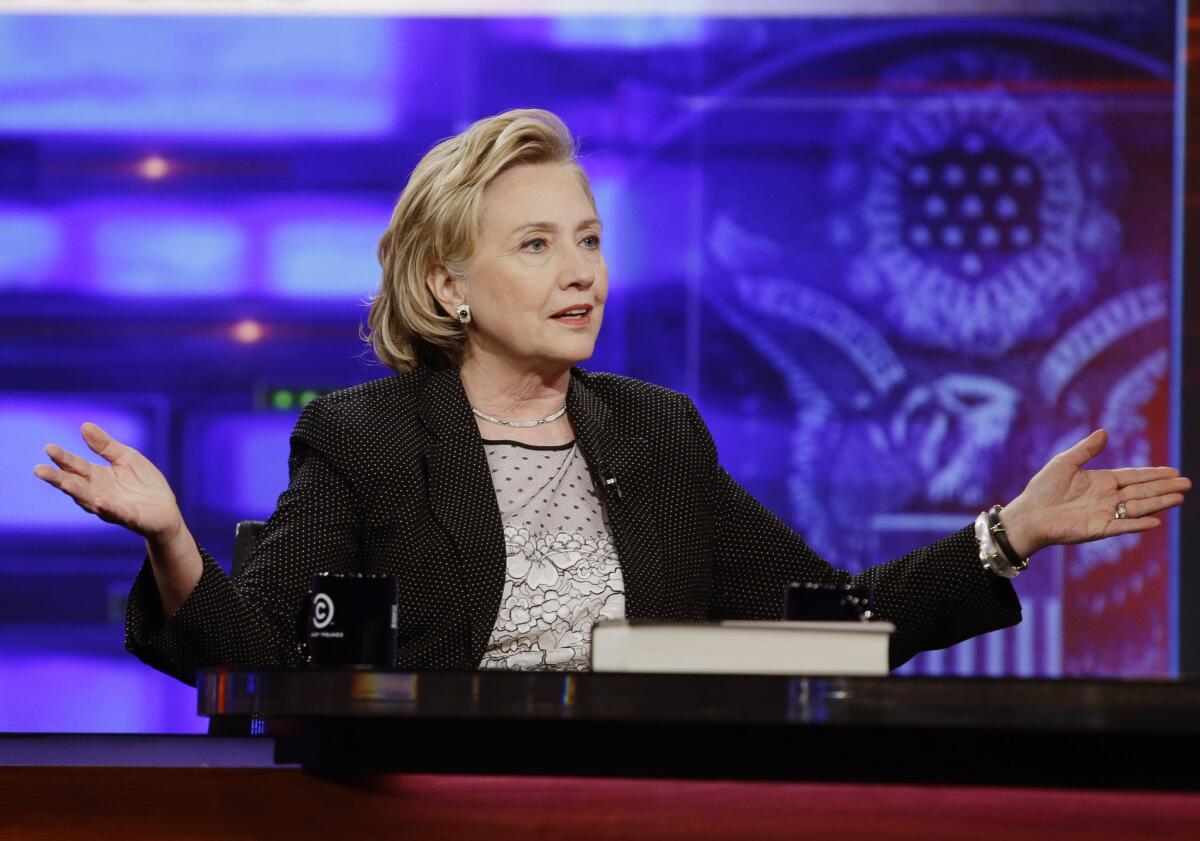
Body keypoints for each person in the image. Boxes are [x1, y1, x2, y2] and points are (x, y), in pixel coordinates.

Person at [33, 109, 1191, 685]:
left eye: (588, 238)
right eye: (535, 244)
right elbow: (263, 657)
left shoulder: (655, 428)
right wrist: (176, 541)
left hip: (646, 793)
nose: (580, 270)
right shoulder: (363, 436)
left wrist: (1007, 536)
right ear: (447, 281)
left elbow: (827, 623)